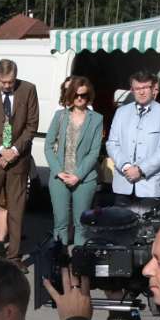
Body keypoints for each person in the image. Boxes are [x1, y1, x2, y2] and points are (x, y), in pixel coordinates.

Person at [0, 60, 40, 262]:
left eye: (10, 82)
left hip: (18, 162)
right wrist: (1, 150)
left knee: (16, 210)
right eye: (3, 82)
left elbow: (32, 125)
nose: (6, 86)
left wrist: (14, 150)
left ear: (15, 77)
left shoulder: (28, 90)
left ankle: (14, 257)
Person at [43, 76, 104, 245]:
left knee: (81, 225)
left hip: (84, 179)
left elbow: (94, 152)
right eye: (76, 95)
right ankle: (58, 263)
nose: (79, 98)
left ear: (88, 96)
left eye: (83, 95)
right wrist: (58, 171)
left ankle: (78, 265)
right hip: (59, 178)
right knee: (60, 224)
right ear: (70, 94)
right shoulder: (60, 116)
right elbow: (48, 146)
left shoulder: (97, 119)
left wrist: (78, 175)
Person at [105, 71, 160, 211]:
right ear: (132, 90)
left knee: (145, 231)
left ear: (153, 89)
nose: (141, 92)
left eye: (145, 88)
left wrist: (141, 170)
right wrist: (125, 166)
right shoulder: (121, 112)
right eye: (137, 88)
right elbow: (112, 143)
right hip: (123, 185)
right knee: (121, 229)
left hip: (150, 186)